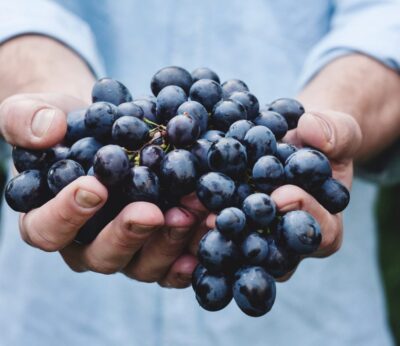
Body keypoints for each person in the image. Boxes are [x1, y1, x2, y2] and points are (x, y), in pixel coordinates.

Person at [0, 0, 399, 345]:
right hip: (60, 321)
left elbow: (386, 19)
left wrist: (333, 118)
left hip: (314, 324)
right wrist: (43, 92)